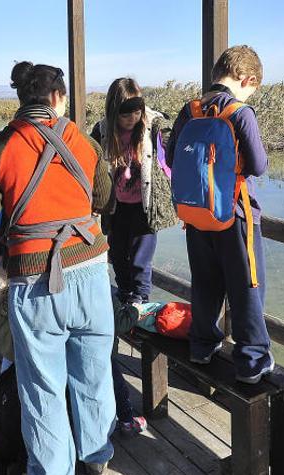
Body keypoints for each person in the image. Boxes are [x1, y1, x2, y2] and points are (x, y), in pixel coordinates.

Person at [0, 61, 115, 475]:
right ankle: (97, 457)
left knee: (43, 389)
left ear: (22, 99)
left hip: (33, 283)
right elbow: (104, 199)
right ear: (59, 98)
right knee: (94, 371)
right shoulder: (84, 142)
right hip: (90, 271)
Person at [166, 45, 273, 384]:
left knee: (206, 283)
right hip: (235, 214)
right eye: (252, 87)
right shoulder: (240, 112)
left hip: (196, 215)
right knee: (246, 286)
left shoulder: (190, 110)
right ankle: (252, 359)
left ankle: (202, 345)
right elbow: (258, 165)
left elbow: (170, 157)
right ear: (248, 79)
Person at [91, 77, 178, 436]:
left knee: (141, 261)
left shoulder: (153, 125)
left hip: (144, 207)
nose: (132, 118)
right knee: (119, 261)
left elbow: (171, 151)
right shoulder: (101, 131)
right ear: (114, 111)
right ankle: (127, 302)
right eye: (125, 113)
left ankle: (139, 305)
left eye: (136, 111)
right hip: (117, 208)